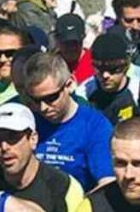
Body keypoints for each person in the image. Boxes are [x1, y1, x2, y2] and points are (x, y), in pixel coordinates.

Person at [19, 52, 114, 190]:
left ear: (69, 85)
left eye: (51, 98)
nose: (43, 107)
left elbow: (107, 182)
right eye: (36, 100)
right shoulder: (28, 121)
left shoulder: (95, 126)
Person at [77, 32, 140, 124]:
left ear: (126, 66)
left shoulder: (138, 90)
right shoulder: (84, 91)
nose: (105, 75)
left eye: (112, 69)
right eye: (99, 69)